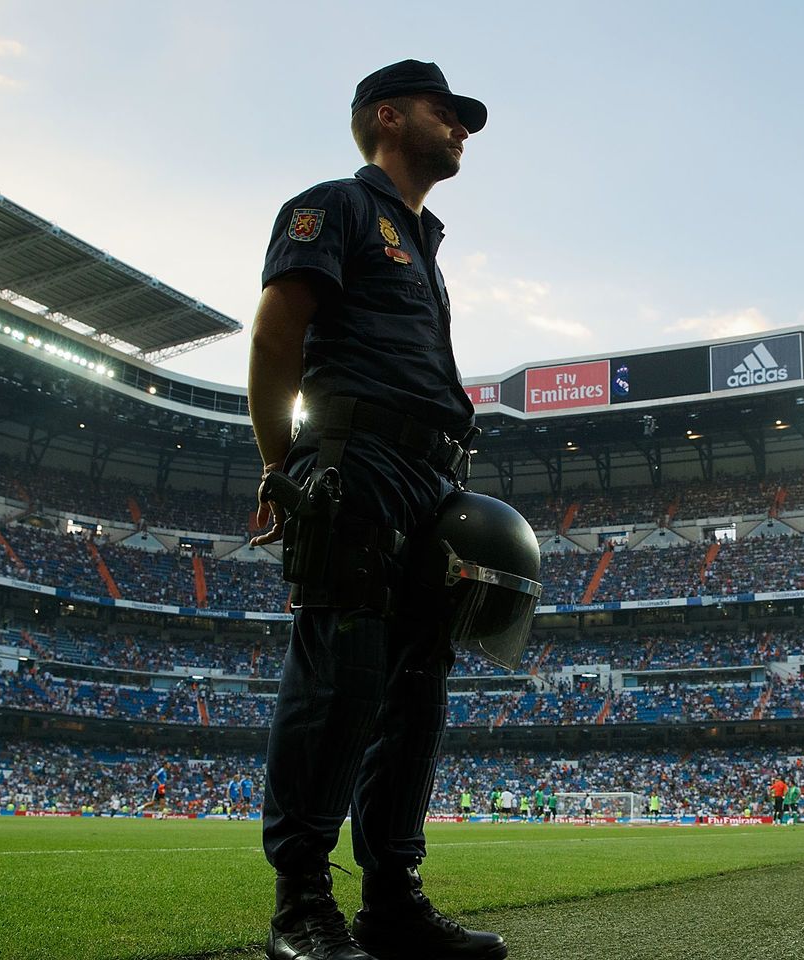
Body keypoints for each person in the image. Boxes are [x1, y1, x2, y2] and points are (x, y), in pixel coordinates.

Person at [248, 60, 508, 959]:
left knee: (417, 693)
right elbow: (277, 331)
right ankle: (301, 906)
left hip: (428, 478)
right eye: (447, 112)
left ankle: (392, 901)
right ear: (388, 118)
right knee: (340, 676)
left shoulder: (424, 242)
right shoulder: (338, 206)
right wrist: (283, 468)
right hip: (354, 463)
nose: (462, 126)